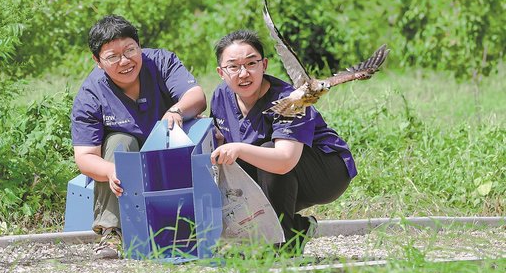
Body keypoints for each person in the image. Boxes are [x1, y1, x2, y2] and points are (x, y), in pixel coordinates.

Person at [71, 15, 207, 259]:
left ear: (139, 46)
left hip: (167, 149)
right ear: (98, 61)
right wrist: (110, 171)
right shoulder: (90, 94)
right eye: (112, 56)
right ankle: (112, 232)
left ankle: (205, 225)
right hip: (127, 163)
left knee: (198, 126)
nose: (125, 61)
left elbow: (196, 97)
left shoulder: (162, 62)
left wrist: (176, 110)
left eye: (130, 50)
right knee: (118, 143)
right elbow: (84, 157)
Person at [209, 30, 355, 254]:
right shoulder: (221, 96)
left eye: (251, 63)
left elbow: (284, 160)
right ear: (221, 72)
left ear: (264, 65)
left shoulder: (290, 99)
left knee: (265, 151)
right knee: (237, 162)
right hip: (279, 178)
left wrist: (237, 147)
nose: (243, 73)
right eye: (233, 66)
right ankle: (295, 230)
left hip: (324, 172)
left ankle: (283, 244)